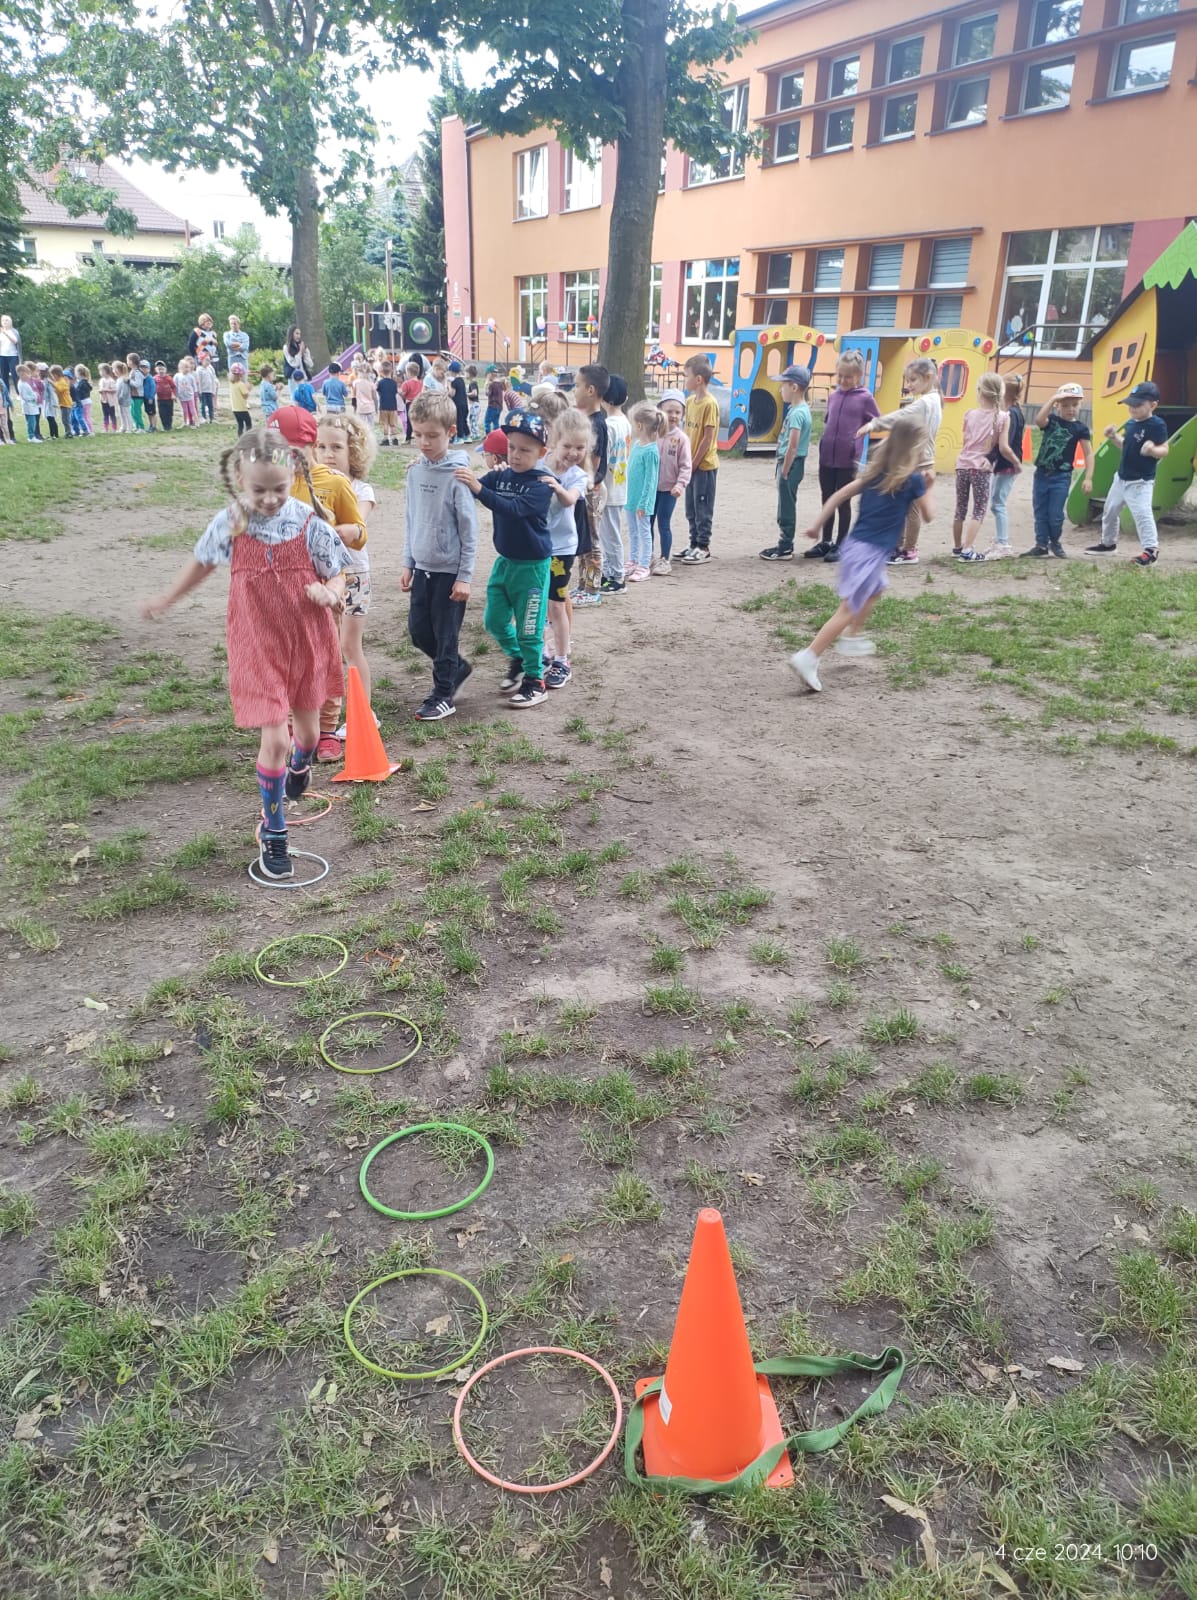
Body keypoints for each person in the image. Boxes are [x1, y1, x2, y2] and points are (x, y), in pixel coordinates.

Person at [140, 427, 350, 881]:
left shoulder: (310, 523)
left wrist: (330, 593)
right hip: (256, 644)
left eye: (279, 488)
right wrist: (167, 598)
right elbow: (202, 562)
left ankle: (301, 765)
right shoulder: (232, 522)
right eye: (259, 490)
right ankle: (274, 831)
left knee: (308, 736)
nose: (270, 499)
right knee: (275, 740)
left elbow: (339, 574)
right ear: (240, 478)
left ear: (293, 476)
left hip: (305, 641)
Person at [790, 414, 933, 694]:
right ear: (914, 449)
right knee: (848, 609)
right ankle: (809, 656)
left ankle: (852, 637)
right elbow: (928, 515)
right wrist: (929, 489)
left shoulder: (873, 474)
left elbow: (838, 496)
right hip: (871, 553)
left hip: (855, 547)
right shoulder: (913, 480)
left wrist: (817, 525)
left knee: (876, 588)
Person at [264, 405, 367, 761]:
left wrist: (348, 532)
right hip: (280, 591)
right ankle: (294, 726)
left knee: (324, 659)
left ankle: (326, 730)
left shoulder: (333, 483)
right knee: (287, 661)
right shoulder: (267, 483)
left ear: (310, 444)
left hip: (325, 590)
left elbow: (360, 534)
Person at [455, 411, 556, 708]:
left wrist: (478, 488)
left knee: (529, 629)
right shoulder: (501, 476)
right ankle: (520, 659)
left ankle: (535, 681)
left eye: (525, 450)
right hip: (505, 563)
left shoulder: (542, 484)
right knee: (494, 621)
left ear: (542, 453)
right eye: (511, 447)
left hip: (533, 568)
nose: (515, 455)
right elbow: (471, 488)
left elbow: (511, 509)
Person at [399, 391, 480, 721]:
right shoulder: (415, 472)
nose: (424, 442)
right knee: (419, 632)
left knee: (446, 638)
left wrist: (465, 577)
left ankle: (443, 694)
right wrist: (408, 562)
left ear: (451, 431)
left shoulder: (458, 477)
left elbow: (469, 531)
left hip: (450, 573)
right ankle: (456, 668)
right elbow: (411, 518)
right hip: (422, 569)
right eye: (418, 434)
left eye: (432, 435)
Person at [315, 412, 380, 732]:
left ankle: (363, 715)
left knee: (350, 646)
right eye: (321, 446)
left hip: (354, 576)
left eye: (337, 447)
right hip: (322, 580)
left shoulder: (361, 489)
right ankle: (319, 715)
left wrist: (340, 529)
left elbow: (357, 525)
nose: (328, 454)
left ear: (353, 451)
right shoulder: (309, 487)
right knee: (323, 648)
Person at [858, 357, 942, 567]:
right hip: (919, 458)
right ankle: (899, 546)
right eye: (908, 380)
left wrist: (874, 424)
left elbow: (902, 416)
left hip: (919, 461)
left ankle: (909, 550)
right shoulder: (934, 400)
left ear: (928, 377)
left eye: (913, 380)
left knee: (911, 508)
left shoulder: (925, 403)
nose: (909, 385)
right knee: (905, 504)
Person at [1087, 380, 1170, 566]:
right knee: (1109, 511)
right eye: (1130, 404)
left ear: (1153, 405)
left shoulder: (1156, 424)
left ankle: (1151, 550)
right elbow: (1126, 446)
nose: (1132, 408)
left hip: (1140, 482)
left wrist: (1153, 450)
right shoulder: (1131, 423)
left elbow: (1165, 450)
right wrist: (1113, 437)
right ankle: (1108, 544)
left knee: (1142, 514)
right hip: (1121, 478)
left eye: (1138, 405)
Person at [810, 350, 880, 562]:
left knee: (842, 501)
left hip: (847, 460)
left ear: (858, 376)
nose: (842, 380)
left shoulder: (865, 398)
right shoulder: (834, 396)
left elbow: (878, 420)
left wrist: (867, 428)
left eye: (847, 377)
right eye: (839, 375)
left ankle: (842, 544)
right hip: (826, 457)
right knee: (827, 498)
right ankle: (826, 541)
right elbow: (828, 421)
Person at [542, 407, 590, 685]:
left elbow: (569, 499)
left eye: (580, 447)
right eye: (568, 446)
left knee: (557, 603)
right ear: (554, 440)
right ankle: (542, 652)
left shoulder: (577, 476)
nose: (573, 453)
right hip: (536, 546)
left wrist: (557, 487)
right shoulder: (540, 462)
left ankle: (562, 660)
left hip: (562, 549)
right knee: (537, 603)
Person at [1020, 383, 1093, 558]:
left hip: (1062, 476)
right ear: (1058, 406)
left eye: (1075, 405)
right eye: (1065, 405)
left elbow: (1088, 453)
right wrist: (1053, 399)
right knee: (1040, 511)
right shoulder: (1052, 421)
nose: (1071, 409)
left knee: (1055, 514)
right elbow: (1039, 420)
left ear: (1080, 405)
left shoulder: (1081, 429)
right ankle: (1041, 544)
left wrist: (1088, 477)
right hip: (1042, 474)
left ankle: (1055, 541)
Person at [953, 372, 1013, 562]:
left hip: (962, 465)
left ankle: (957, 547)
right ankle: (967, 550)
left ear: (979, 392)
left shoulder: (969, 414)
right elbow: (1002, 447)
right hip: (981, 468)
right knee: (978, 510)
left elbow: (966, 440)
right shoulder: (1003, 417)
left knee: (960, 508)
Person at [760, 364, 813, 561]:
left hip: (791, 464)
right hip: (789, 463)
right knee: (785, 503)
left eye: (783, 385)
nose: (780, 389)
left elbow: (793, 445)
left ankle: (785, 546)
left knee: (786, 505)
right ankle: (784, 543)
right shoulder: (797, 409)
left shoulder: (798, 413)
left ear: (794, 387)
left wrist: (785, 470)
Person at [681, 355, 720, 563]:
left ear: (698, 379)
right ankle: (693, 542)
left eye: (686, 376)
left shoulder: (710, 404)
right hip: (690, 465)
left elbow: (708, 437)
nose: (684, 379)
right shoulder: (689, 402)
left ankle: (703, 546)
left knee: (703, 506)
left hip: (704, 466)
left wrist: (695, 462)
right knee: (691, 506)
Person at [652, 389, 691, 576]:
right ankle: (647, 556)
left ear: (682, 414)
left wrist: (680, 484)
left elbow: (686, 465)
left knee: (663, 523)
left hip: (669, 490)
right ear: (660, 410)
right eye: (669, 411)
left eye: (677, 412)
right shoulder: (652, 434)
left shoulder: (681, 439)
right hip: (651, 488)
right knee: (647, 522)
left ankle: (664, 559)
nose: (673, 415)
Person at [599, 373, 630, 593]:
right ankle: (610, 571)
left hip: (609, 487)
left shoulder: (608, 425)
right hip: (618, 485)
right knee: (609, 533)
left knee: (611, 535)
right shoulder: (625, 422)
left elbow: (605, 456)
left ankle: (617, 577)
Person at [987, 374, 1024, 558]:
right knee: (996, 502)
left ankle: (1003, 543)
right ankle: (1000, 541)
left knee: (998, 504)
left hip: (1007, 464)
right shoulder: (1013, 411)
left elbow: (1005, 445)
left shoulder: (1012, 414)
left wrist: (1016, 463)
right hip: (1005, 463)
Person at [626, 403, 663, 581]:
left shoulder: (651, 452)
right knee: (632, 531)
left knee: (644, 532)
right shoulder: (635, 445)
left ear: (639, 425)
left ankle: (644, 564)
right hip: (630, 499)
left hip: (642, 502)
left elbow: (650, 481)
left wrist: (644, 503)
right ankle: (633, 560)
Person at [282, 326, 313, 392]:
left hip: (303, 376)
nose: (299, 336)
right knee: (295, 396)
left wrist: (304, 353)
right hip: (293, 377)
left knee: (306, 396)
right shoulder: (286, 347)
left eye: (299, 334)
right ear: (291, 334)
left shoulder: (302, 346)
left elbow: (310, 364)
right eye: (296, 333)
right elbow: (294, 364)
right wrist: (300, 352)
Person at [376, 363, 400, 446]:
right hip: (393, 406)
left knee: (385, 423)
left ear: (381, 371)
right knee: (393, 423)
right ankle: (395, 438)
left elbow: (378, 391)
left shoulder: (380, 382)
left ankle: (386, 439)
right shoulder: (394, 383)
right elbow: (396, 392)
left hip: (383, 406)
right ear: (391, 371)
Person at [17, 365, 42, 441]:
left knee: (33, 422)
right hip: (29, 406)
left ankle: (32, 435)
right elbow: (25, 397)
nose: (29, 376)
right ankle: (31, 436)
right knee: (31, 422)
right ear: (22, 374)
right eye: (27, 374)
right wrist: (34, 396)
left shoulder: (25, 383)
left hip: (32, 406)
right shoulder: (22, 384)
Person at [400, 361, 423, 441]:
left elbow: (403, 393)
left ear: (408, 372)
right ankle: (419, 436)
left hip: (409, 403)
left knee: (409, 421)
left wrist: (401, 395)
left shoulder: (406, 383)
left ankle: (408, 438)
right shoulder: (421, 383)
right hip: (418, 403)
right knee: (418, 420)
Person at [50, 366, 75, 436]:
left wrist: (52, 384)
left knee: (66, 420)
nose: (52, 377)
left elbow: (60, 389)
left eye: (53, 375)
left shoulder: (62, 381)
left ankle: (69, 433)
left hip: (66, 404)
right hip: (63, 404)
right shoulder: (58, 381)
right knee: (64, 419)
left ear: (56, 375)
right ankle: (68, 432)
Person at [448, 359, 469, 441]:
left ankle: (460, 437)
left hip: (458, 405)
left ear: (451, 371)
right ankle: (467, 435)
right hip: (464, 403)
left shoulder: (454, 382)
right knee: (464, 420)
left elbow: (452, 393)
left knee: (459, 421)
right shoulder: (461, 381)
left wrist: (449, 385)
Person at [0, 314, 21, 396]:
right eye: (3, 320)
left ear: (10, 322)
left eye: (7, 320)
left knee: (15, 374)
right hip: (2, 356)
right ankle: (6, 393)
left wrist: (5, 333)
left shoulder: (14, 331)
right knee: (3, 375)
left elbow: (15, 341)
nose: (5, 322)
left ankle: (19, 393)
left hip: (13, 356)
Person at [39, 363, 61, 440]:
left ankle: (54, 435)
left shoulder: (47, 380)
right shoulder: (43, 380)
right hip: (46, 402)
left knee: (51, 418)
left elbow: (52, 392)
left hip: (50, 402)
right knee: (50, 418)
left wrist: (54, 402)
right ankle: (54, 435)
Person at [175, 357, 199, 428]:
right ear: (181, 367)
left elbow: (194, 386)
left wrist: (195, 393)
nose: (187, 369)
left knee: (193, 409)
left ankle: (197, 422)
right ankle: (185, 422)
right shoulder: (177, 376)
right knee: (184, 410)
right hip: (182, 397)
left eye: (188, 367)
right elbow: (175, 385)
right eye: (185, 367)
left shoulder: (191, 377)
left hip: (190, 396)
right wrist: (175, 394)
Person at [353, 364, 378, 431]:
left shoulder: (355, 382)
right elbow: (374, 397)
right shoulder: (371, 384)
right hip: (370, 407)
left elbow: (354, 394)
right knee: (371, 427)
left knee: (362, 427)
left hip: (360, 407)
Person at [230, 365, 252, 434]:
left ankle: (240, 437)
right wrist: (249, 389)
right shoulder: (241, 384)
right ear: (240, 374)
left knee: (240, 425)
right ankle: (248, 437)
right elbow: (245, 396)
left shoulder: (232, 384)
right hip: (242, 409)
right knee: (248, 423)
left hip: (235, 409)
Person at [126, 354, 146, 431]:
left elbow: (138, 384)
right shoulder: (132, 371)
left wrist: (129, 381)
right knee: (132, 411)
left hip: (138, 396)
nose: (127, 362)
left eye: (128, 360)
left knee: (137, 412)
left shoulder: (137, 372)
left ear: (132, 361)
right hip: (133, 395)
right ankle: (136, 426)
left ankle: (141, 427)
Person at [196, 355, 219, 423]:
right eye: (206, 360)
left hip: (209, 390)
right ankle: (204, 417)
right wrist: (199, 391)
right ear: (201, 360)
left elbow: (212, 380)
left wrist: (213, 390)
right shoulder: (199, 370)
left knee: (210, 405)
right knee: (203, 404)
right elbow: (199, 381)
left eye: (209, 360)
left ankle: (211, 417)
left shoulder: (210, 369)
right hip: (203, 391)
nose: (208, 362)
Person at [154, 362, 175, 431]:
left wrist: (173, 394)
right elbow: (153, 387)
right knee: (162, 413)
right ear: (156, 370)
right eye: (159, 369)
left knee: (169, 412)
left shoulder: (169, 378)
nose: (161, 371)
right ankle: (165, 426)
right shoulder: (155, 378)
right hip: (160, 399)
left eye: (162, 369)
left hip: (169, 398)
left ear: (165, 370)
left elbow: (173, 387)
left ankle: (169, 426)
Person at [483, 366, 504, 434]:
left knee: (487, 422)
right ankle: (497, 436)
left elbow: (487, 393)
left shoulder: (491, 384)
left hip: (492, 406)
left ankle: (488, 435)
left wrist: (486, 385)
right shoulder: (500, 383)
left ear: (490, 374)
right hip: (499, 407)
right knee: (496, 423)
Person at [98, 363, 118, 432]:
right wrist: (100, 391)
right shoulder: (101, 380)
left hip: (110, 401)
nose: (100, 372)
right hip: (103, 400)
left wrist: (106, 390)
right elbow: (101, 389)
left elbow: (114, 390)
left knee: (112, 414)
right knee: (105, 415)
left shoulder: (111, 380)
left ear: (106, 371)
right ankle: (105, 428)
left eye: (101, 371)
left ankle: (114, 428)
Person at [139, 362, 157, 432]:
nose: (143, 369)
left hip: (150, 398)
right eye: (142, 367)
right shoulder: (142, 378)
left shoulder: (150, 378)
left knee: (152, 413)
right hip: (145, 398)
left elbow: (153, 388)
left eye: (145, 368)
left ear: (149, 369)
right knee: (148, 412)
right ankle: (151, 425)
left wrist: (151, 397)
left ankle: (154, 426)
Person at [466, 364, 481, 439]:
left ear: (470, 374)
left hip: (475, 405)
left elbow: (475, 393)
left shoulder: (473, 383)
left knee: (473, 420)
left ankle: (476, 435)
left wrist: (466, 394)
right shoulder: (471, 382)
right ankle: (473, 434)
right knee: (471, 419)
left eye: (466, 372)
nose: (465, 374)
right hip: (473, 405)